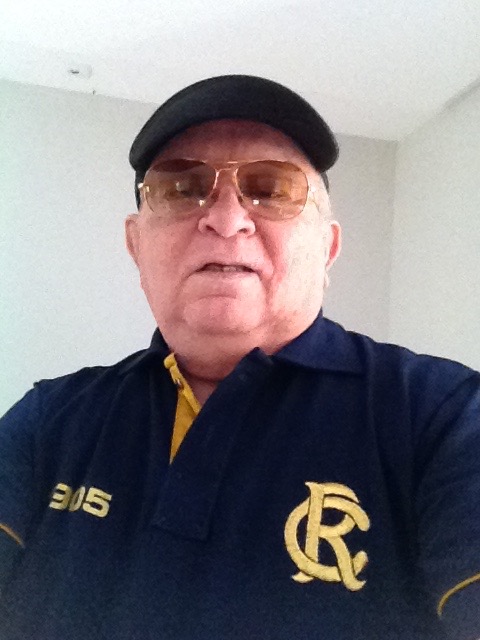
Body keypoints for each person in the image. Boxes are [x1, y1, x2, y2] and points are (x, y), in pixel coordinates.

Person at [0, 75, 479, 640]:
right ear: (135, 244)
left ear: (327, 247)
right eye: (182, 188)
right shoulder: (47, 420)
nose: (227, 220)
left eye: (271, 189)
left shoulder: (445, 418)